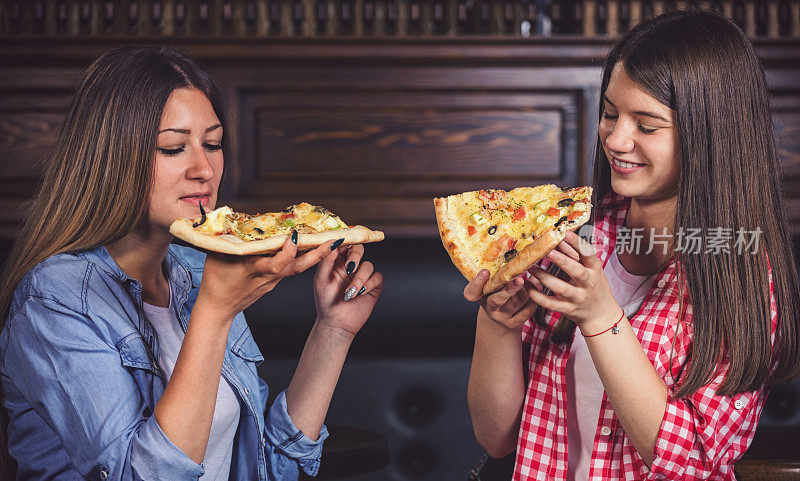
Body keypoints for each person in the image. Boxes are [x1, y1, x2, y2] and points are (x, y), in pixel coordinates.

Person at [0, 46, 383, 481]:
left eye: (213, 144)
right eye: (173, 148)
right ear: (111, 159)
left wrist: (332, 331)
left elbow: (267, 468)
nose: (204, 169)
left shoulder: (197, 269)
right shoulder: (54, 299)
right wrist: (214, 313)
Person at [465, 10, 800, 481]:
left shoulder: (739, 267)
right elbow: (497, 437)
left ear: (710, 136)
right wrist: (496, 326)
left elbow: (692, 461)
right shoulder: (572, 235)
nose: (615, 139)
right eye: (609, 113)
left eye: (646, 125)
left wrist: (602, 318)